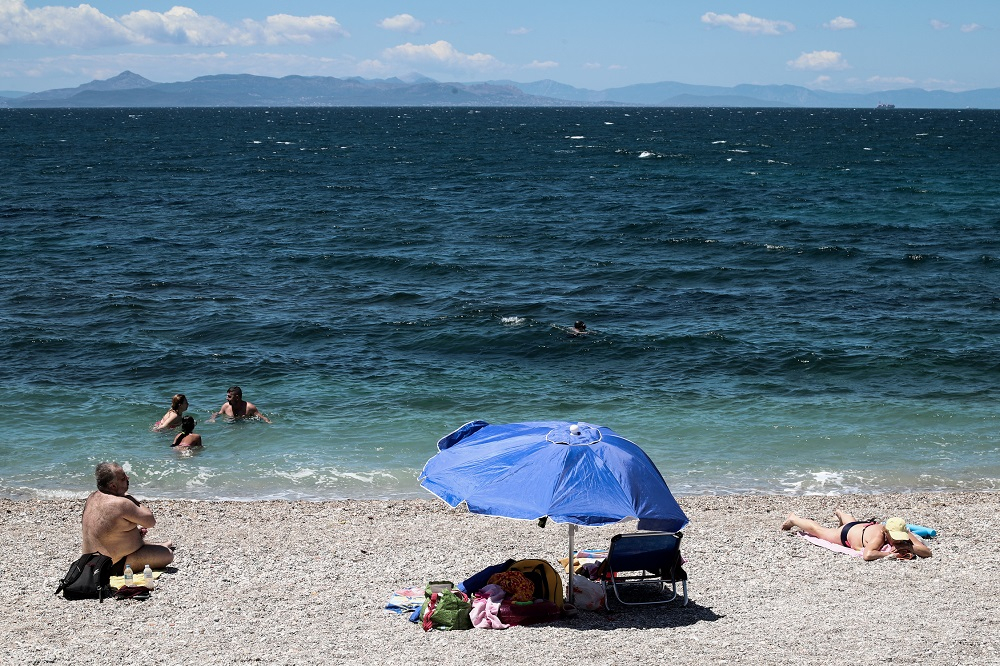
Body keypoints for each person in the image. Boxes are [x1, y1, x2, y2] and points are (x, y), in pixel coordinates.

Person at [81, 462, 175, 575]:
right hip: (109, 566)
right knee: (167, 554)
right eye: (123, 478)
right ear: (113, 486)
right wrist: (128, 497)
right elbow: (150, 521)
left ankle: (158, 545)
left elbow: (109, 530)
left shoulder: (92, 497)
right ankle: (159, 547)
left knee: (137, 536)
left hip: (88, 561)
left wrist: (134, 533)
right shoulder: (121, 503)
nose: (127, 478)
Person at [781, 509, 932, 561]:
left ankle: (841, 513)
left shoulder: (904, 533)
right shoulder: (879, 536)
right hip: (847, 534)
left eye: (900, 538)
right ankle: (794, 518)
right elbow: (868, 554)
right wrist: (889, 556)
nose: (898, 541)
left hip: (861, 526)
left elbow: (927, 552)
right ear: (886, 532)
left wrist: (909, 547)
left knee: (851, 522)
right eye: (895, 538)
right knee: (819, 531)